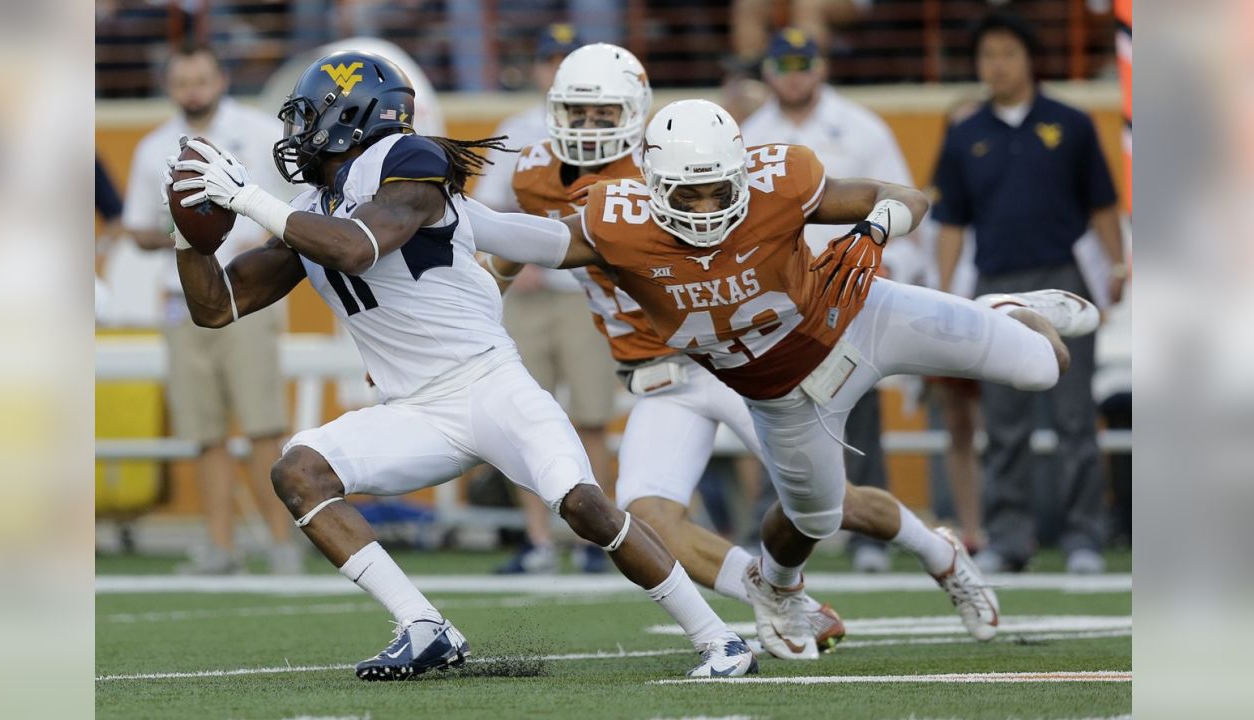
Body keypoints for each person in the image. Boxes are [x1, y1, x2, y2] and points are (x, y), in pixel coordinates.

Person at [165, 49, 755, 680]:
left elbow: (358, 248)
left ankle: (720, 639)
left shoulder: (409, 160)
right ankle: (424, 626)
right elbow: (217, 307)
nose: (297, 133)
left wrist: (249, 197)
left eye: (309, 116)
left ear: (352, 114)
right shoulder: (313, 204)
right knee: (301, 471)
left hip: (487, 383)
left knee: (585, 506)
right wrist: (190, 240)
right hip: (414, 410)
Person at [474, 98, 1101, 660]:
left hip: (860, 316)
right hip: (778, 392)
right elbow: (519, 237)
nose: (704, 209)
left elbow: (908, 197)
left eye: (718, 191)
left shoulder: (782, 181)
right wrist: (436, 203)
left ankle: (1000, 310)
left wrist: (873, 229)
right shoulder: (617, 222)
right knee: (814, 518)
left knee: (1046, 367)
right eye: (686, 196)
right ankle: (785, 589)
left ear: (742, 175)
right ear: (653, 184)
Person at [931, 10, 1125, 574]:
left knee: (1073, 417)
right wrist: (946, 292)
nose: (996, 65)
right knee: (1005, 420)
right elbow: (950, 223)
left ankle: (1084, 537)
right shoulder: (964, 136)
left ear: (1029, 59)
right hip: (997, 288)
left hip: (1062, 280)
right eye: (986, 55)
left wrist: (1116, 264)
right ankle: (1009, 538)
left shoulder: (1073, 124)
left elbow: (1103, 204)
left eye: (1007, 53)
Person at [742, 27, 927, 573]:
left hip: (847, 290)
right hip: (777, 297)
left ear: (820, 67)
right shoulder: (751, 133)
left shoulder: (863, 127)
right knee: (770, 409)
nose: (795, 73)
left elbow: (905, 200)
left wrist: (887, 263)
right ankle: (777, 534)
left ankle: (871, 538)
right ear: (768, 72)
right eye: (784, 64)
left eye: (804, 62)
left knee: (860, 411)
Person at [123, 43, 299, 575]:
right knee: (205, 433)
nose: (193, 90)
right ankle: (221, 547)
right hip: (182, 299)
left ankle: (283, 544)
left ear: (221, 79)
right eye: (182, 81)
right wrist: (180, 231)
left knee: (264, 423)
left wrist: (259, 239)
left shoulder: (261, 131)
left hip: (246, 292)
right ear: (170, 86)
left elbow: (299, 207)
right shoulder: (154, 147)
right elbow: (136, 227)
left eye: (201, 79)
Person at [474, 25, 620, 575]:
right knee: (523, 422)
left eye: (566, 59)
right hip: (530, 294)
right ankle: (539, 541)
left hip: (586, 291)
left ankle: (595, 539)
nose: (556, 69)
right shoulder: (516, 131)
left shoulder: (614, 127)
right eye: (549, 59)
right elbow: (487, 212)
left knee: (591, 418)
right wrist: (524, 257)